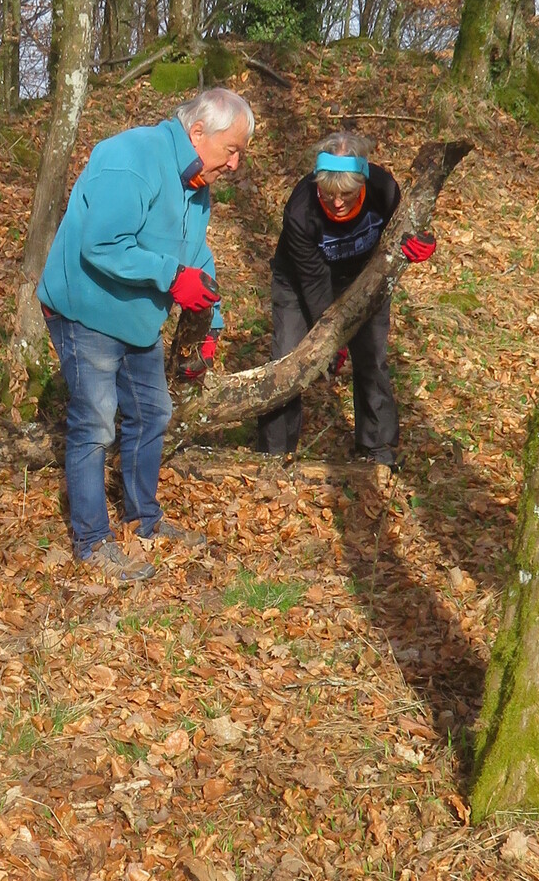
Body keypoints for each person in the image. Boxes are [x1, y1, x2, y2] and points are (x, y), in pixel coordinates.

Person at [38, 86, 255, 584]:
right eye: (232, 150)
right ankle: (93, 542)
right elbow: (101, 245)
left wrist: (212, 325)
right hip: (85, 308)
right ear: (197, 132)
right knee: (96, 422)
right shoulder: (132, 158)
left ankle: (144, 522)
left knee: (153, 412)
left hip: (135, 316)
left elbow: (196, 255)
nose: (235, 164)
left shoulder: (196, 186)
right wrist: (170, 277)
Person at [258, 137, 435, 469]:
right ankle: (274, 454)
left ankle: (378, 450)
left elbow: (408, 225)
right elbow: (314, 282)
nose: (337, 203)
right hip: (299, 282)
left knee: (372, 358)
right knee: (287, 359)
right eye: (328, 194)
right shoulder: (301, 210)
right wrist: (331, 339)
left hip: (366, 276)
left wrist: (422, 240)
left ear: (362, 182)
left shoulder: (383, 189)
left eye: (347, 194)